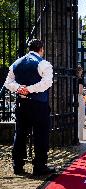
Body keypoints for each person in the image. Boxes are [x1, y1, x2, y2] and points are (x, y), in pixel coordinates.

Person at [4, 39, 55, 175]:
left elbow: (8, 83)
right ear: (41, 49)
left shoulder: (17, 62)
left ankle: (17, 165)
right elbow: (47, 83)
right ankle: (39, 166)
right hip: (39, 105)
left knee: (20, 134)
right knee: (41, 135)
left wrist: (20, 88)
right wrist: (30, 89)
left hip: (22, 104)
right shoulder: (44, 64)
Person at [77, 64, 85, 141]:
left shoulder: (72, 78)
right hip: (79, 98)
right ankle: (79, 137)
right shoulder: (79, 79)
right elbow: (80, 91)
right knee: (80, 117)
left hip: (72, 98)